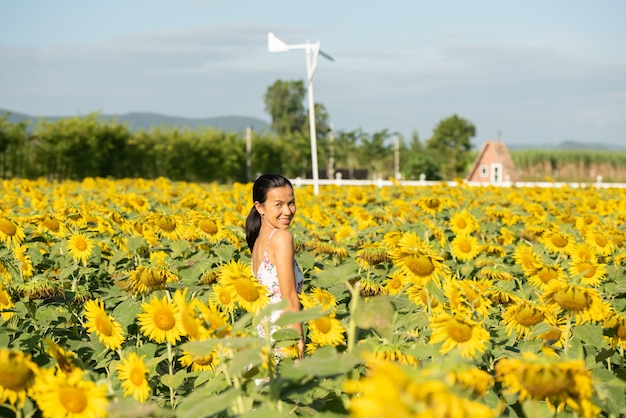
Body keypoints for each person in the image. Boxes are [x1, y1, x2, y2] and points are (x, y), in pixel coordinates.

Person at [245, 173, 305, 359]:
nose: (287, 211)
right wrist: (299, 344)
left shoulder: (258, 241)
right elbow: (289, 298)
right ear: (259, 207)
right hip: (283, 339)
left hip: (262, 341)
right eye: (278, 204)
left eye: (291, 203)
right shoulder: (281, 238)